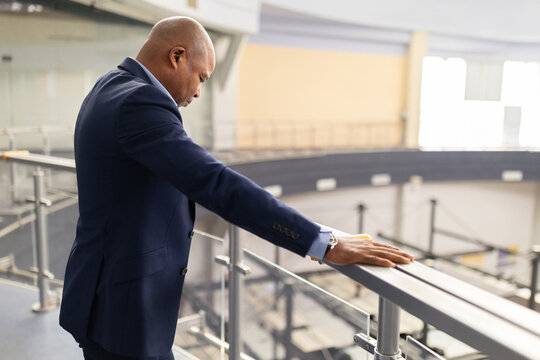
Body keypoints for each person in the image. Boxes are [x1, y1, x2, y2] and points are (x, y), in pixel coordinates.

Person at [59, 16, 414, 360]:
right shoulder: (141, 103)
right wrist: (322, 242)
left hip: (101, 293)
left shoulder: (109, 85)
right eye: (200, 77)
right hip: (122, 308)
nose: (198, 91)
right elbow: (215, 182)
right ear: (177, 56)